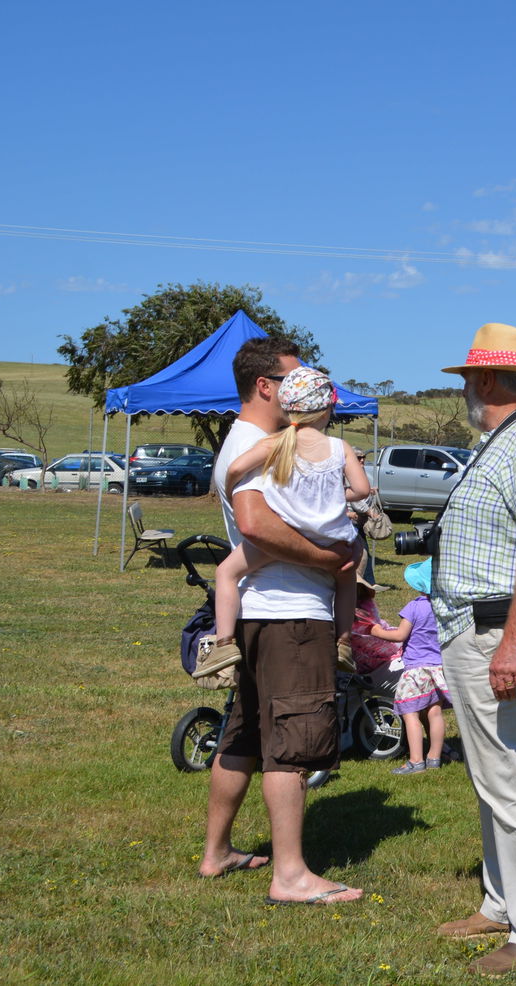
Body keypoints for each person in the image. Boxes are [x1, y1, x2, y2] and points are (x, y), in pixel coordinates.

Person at [198, 337, 363, 905]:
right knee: (294, 743)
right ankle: (290, 876)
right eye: (293, 378)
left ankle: (217, 852)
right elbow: (255, 524)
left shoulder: (258, 443)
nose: (300, 388)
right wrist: (330, 558)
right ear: (266, 386)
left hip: (260, 612)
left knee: (245, 735)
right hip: (291, 614)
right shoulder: (259, 444)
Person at [429, 323, 516, 975]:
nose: (465, 390)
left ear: (484, 379)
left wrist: (513, 641)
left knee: (510, 778)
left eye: (467, 379)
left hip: (496, 631)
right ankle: (502, 904)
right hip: (480, 628)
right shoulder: (507, 441)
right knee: (492, 777)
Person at [203, 367, 371, 669]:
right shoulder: (340, 447)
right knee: (346, 579)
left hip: (287, 534)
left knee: (226, 572)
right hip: (332, 537)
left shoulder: (276, 443)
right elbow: (361, 490)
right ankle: (344, 642)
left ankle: (224, 643)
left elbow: (236, 468)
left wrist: (229, 488)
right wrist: (335, 495)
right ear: (327, 409)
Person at [369, 558, 452, 774]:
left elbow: (400, 635)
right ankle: (434, 757)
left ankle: (416, 761)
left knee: (410, 712)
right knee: (434, 712)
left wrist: (376, 631)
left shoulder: (414, 607)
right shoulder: (445, 608)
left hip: (415, 670)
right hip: (438, 669)